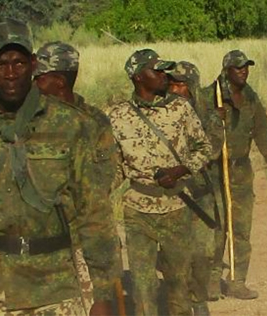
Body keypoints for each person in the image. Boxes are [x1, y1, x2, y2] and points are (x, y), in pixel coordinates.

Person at [0, 18, 121, 316]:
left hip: (55, 288)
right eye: (1, 63)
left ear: (33, 65)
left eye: (19, 62)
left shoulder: (70, 124)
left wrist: (103, 293)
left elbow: (94, 214)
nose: (11, 73)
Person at [109, 49, 212, 316]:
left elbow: (204, 148)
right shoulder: (117, 115)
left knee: (178, 283)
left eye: (165, 70)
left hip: (176, 208)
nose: (164, 76)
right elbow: (114, 167)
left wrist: (180, 170)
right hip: (137, 213)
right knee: (143, 289)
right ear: (137, 77)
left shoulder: (180, 108)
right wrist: (100, 204)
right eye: (157, 71)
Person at [33, 41, 118, 313]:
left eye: (39, 78)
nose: (32, 84)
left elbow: (107, 177)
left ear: (58, 81)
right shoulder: (28, 121)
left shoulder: (94, 122)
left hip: (85, 239)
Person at [202, 49, 267, 300]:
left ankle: (237, 281)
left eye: (246, 67)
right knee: (216, 229)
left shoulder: (250, 97)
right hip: (215, 170)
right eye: (238, 67)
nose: (243, 71)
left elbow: (262, 130)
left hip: (241, 170)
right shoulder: (210, 96)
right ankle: (211, 280)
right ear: (226, 69)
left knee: (241, 228)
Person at [166, 61, 223, 316]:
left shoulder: (208, 116)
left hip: (200, 195)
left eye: (182, 85)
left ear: (192, 88)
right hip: (170, 196)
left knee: (202, 254)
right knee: (174, 256)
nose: (177, 90)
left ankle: (198, 299)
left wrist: (181, 164)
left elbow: (212, 149)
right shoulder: (161, 116)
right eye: (172, 84)